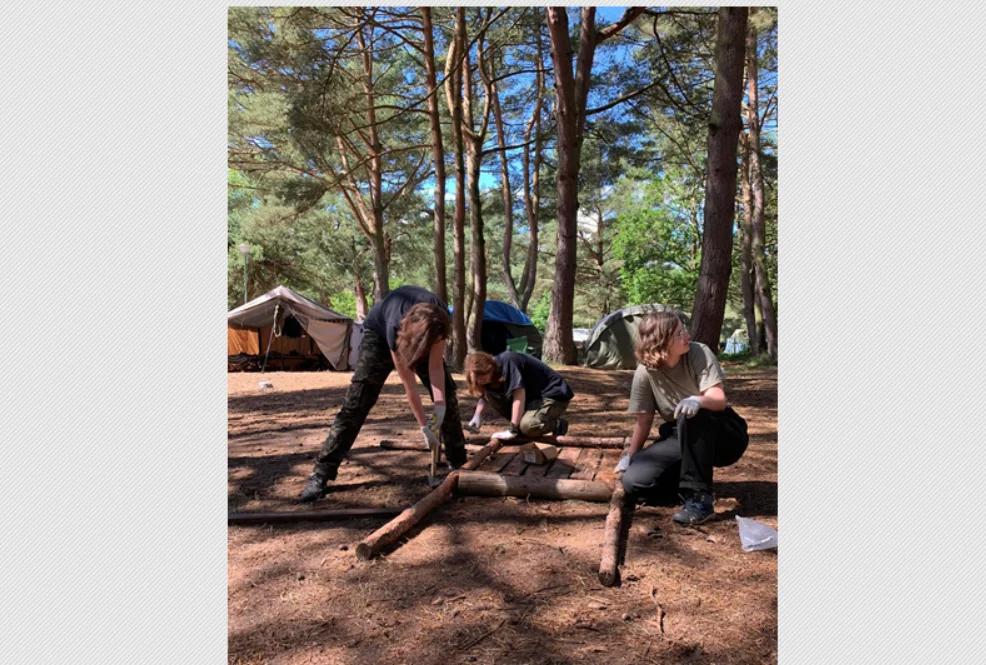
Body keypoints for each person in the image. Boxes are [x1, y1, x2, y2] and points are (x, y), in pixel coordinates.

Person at [299, 285, 467, 502]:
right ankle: (321, 473)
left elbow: (435, 368)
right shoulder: (395, 327)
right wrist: (425, 427)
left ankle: (458, 462)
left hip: (421, 334)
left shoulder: (439, 321)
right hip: (379, 336)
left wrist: (440, 407)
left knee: (448, 394)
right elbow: (409, 385)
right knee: (357, 402)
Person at [617, 312, 749, 525]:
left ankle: (700, 500)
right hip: (680, 434)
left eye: (684, 330)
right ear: (662, 342)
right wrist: (630, 456)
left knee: (692, 417)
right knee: (634, 483)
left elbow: (718, 399)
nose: (687, 336)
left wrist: (697, 400)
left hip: (722, 432)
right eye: (679, 334)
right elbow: (644, 419)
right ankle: (685, 485)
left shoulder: (699, 352)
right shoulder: (645, 371)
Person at [463, 351, 574, 441]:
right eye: (478, 380)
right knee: (491, 394)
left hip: (553, 395)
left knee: (528, 427)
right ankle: (520, 426)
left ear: (489, 367)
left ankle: (557, 425)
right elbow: (485, 396)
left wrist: (513, 429)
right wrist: (477, 416)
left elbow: (519, 395)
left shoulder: (508, 362)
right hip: (532, 398)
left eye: (483, 378)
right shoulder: (489, 377)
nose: (482, 381)